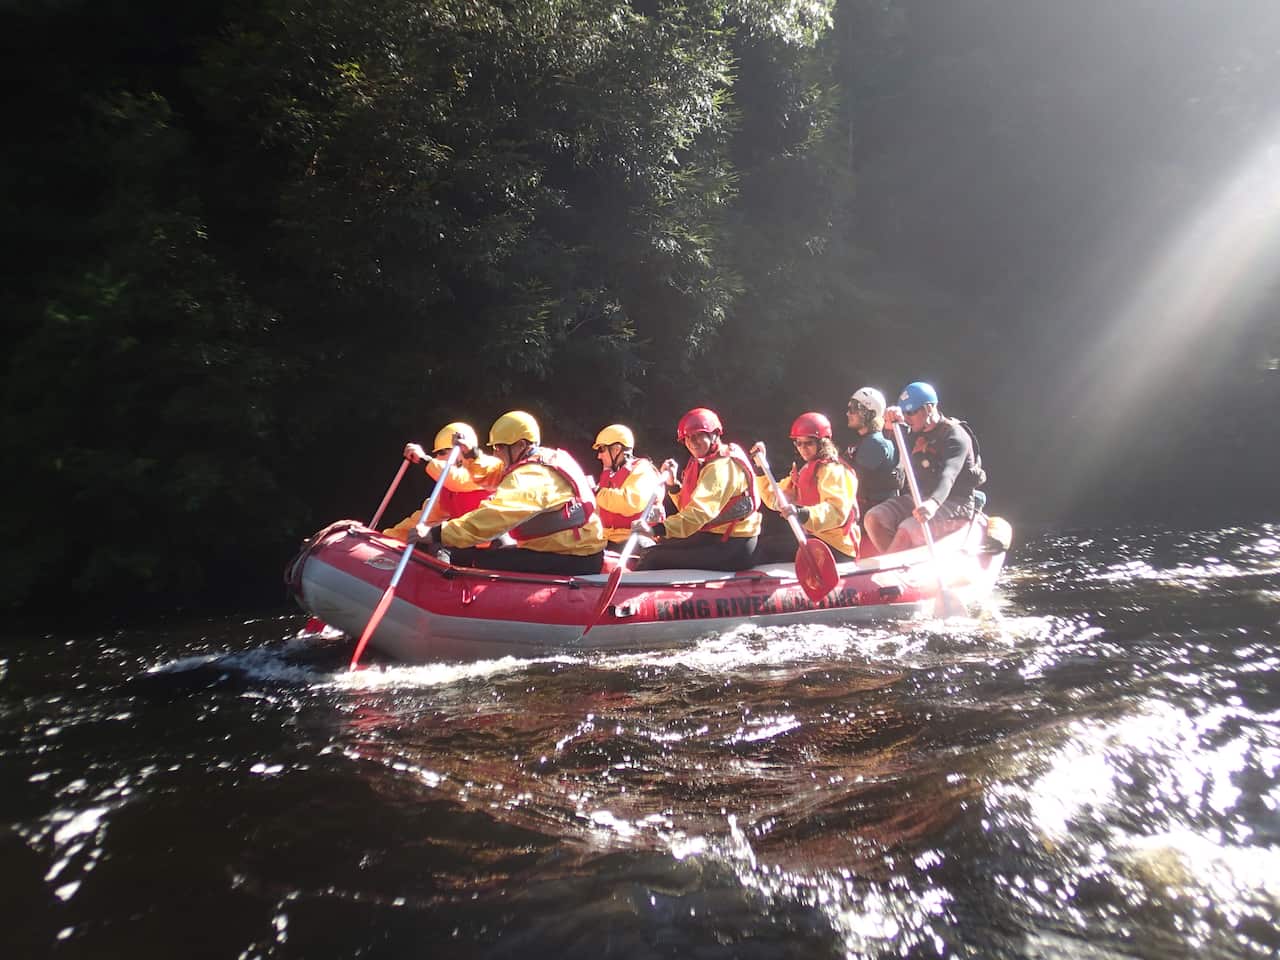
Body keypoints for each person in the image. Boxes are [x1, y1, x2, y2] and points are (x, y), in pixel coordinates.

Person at [410, 410, 606, 575]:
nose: (496, 453)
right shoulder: (537, 459)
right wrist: (472, 455)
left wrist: (438, 533)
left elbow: (495, 515)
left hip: (572, 558)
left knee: (474, 561)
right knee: (471, 555)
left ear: (521, 445)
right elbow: (495, 472)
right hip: (561, 549)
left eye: (500, 447)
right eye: (495, 447)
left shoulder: (533, 476)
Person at [863, 382, 985, 554]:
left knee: (907, 530)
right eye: (904, 413)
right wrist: (891, 424)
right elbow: (895, 438)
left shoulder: (955, 436)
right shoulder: (914, 429)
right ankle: (897, 563)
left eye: (911, 412)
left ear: (928, 409)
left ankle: (891, 570)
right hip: (920, 498)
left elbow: (948, 476)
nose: (906, 418)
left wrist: (933, 504)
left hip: (954, 503)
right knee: (873, 518)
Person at [632, 407, 760, 571]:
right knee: (656, 548)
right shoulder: (702, 462)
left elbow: (699, 513)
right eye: (688, 438)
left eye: (698, 435)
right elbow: (689, 509)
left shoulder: (720, 467)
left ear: (714, 435)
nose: (692, 442)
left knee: (654, 557)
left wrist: (657, 528)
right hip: (714, 536)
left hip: (734, 545)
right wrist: (673, 485)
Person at [749, 412, 860, 563]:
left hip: (837, 547)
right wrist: (761, 468)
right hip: (814, 538)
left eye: (808, 443)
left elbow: (835, 511)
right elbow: (775, 498)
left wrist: (803, 513)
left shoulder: (835, 471)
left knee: (763, 551)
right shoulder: (805, 471)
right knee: (763, 543)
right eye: (799, 443)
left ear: (823, 443)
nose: (803, 448)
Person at [382, 422, 504, 542]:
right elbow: (423, 519)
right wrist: (389, 536)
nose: (438, 458)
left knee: (440, 547)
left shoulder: (489, 468)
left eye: (442, 452)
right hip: (469, 545)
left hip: (495, 545)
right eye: (437, 454)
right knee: (436, 547)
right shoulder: (446, 490)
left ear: (461, 450)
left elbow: (458, 480)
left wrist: (424, 460)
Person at [592, 424, 668, 548]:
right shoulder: (611, 475)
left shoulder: (644, 470)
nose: (599, 456)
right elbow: (597, 509)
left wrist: (597, 492)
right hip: (609, 538)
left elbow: (631, 502)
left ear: (616, 449)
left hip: (637, 538)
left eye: (602, 449)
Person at [844, 386, 904, 517]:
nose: (848, 413)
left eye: (853, 409)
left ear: (869, 413)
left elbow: (850, 480)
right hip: (869, 512)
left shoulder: (875, 443)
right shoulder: (866, 441)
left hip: (872, 514)